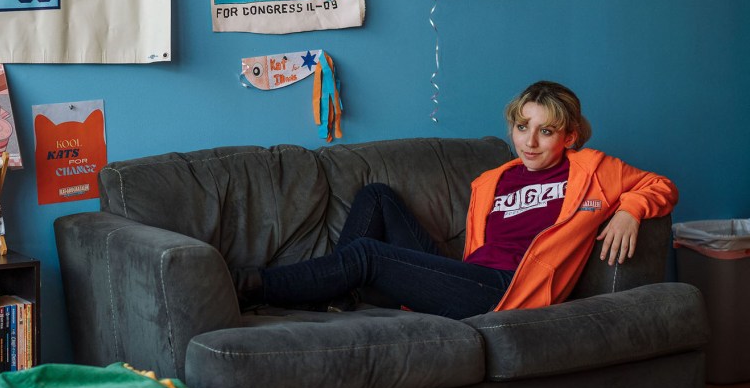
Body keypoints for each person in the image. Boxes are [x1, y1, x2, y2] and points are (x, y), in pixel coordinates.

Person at [240, 81, 678, 319]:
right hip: (469, 277)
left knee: (367, 255)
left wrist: (629, 209)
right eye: (522, 127)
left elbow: (661, 185)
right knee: (376, 196)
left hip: (505, 292)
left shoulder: (593, 170)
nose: (530, 141)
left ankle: (252, 286)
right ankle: (329, 296)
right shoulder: (493, 179)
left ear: (570, 136)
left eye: (546, 131)